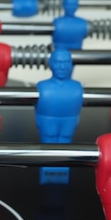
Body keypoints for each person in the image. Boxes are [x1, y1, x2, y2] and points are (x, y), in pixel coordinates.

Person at [34, 48, 83, 184]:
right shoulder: (42, 86)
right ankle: (50, 168)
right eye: (58, 62)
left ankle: (60, 168)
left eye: (66, 62)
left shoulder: (77, 87)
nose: (62, 67)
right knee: (49, 143)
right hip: (47, 120)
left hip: (69, 120)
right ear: (51, 64)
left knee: (65, 143)